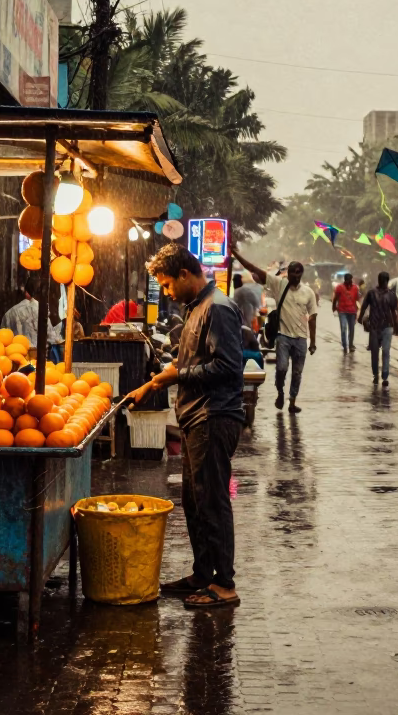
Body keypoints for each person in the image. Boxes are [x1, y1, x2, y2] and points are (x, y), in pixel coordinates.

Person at [128, 244, 243, 609]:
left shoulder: (219, 309)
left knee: (212, 502)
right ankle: (202, 572)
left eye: (166, 285)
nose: (165, 293)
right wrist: (155, 382)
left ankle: (224, 585)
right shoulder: (195, 309)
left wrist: (176, 376)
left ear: (184, 274)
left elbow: (227, 368)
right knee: (194, 502)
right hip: (195, 418)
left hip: (214, 417)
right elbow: (191, 362)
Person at [231, 248, 318, 413]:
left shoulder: (308, 292)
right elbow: (254, 268)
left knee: (297, 373)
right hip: (283, 336)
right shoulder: (279, 284)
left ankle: (292, 401)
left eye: (299, 274)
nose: (296, 276)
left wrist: (312, 342)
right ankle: (280, 392)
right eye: (293, 273)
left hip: (301, 339)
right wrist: (235, 254)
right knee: (282, 368)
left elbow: (312, 317)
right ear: (288, 273)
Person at [358, 271, 398, 386]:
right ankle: (375, 374)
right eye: (382, 280)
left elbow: (394, 311)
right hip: (374, 327)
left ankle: (385, 376)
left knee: (386, 351)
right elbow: (364, 306)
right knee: (374, 352)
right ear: (380, 280)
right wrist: (360, 318)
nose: (383, 283)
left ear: (387, 281)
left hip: (387, 327)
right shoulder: (371, 293)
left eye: (385, 280)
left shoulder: (391, 295)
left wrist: (396, 326)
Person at [0, 277, 62, 348]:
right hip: (35, 356)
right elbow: (52, 339)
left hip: (13, 354)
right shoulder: (39, 310)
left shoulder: (9, 314)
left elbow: (1, 338)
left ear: (26, 293)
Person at [332, 273, 361, 352]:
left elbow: (357, 299)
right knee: (344, 328)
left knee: (351, 329)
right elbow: (336, 298)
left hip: (352, 311)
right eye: (348, 279)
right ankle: (345, 345)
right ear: (345, 280)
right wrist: (334, 307)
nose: (349, 281)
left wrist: (358, 310)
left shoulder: (355, 288)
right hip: (342, 311)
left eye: (350, 279)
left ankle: (351, 345)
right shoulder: (339, 287)